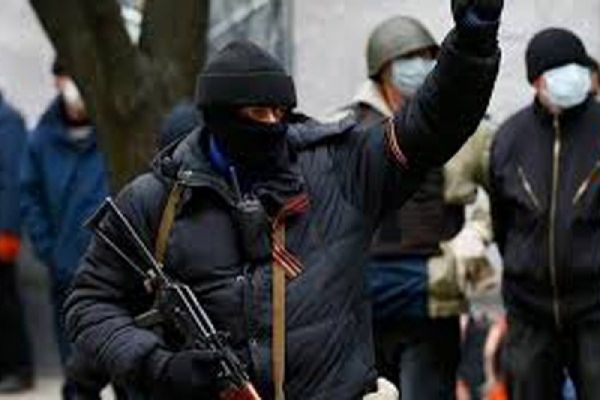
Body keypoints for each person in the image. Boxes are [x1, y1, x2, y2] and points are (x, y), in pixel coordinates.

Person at [65, 1, 503, 398]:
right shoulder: (156, 203)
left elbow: (432, 125)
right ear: (218, 117)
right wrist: (157, 365)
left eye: (281, 111)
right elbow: (90, 303)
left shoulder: (340, 170)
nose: (273, 124)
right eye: (258, 113)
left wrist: (473, 42)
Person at [340, 15, 497, 400]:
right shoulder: (346, 130)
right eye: (410, 57)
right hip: (364, 293)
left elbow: (505, 183)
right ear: (382, 68)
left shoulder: (464, 126)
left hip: (432, 291)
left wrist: (476, 232)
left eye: (429, 56)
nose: (422, 65)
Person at [490, 27, 600, 399]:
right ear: (537, 81)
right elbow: (503, 223)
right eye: (561, 71)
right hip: (530, 312)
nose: (575, 77)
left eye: (579, 68)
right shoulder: (510, 139)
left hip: (594, 308)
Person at [20, 62, 110, 399]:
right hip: (66, 270)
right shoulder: (41, 139)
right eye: (67, 75)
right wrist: (49, 250)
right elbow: (30, 198)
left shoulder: (112, 131)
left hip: (117, 268)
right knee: (76, 371)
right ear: (57, 81)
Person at [0, 91, 34, 393]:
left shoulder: (8, 120)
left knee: (5, 304)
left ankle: (18, 369)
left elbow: (12, 182)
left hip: (1, 232)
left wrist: (8, 231)